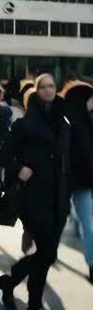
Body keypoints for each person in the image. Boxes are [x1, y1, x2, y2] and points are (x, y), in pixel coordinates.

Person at [0, 74, 71, 310]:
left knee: (47, 254)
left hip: (59, 198)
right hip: (33, 197)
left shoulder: (65, 123)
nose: (48, 90)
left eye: (52, 86)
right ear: (35, 92)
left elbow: (69, 159)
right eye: (43, 86)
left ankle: (8, 281)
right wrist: (19, 169)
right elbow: (3, 154)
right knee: (45, 253)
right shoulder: (24, 124)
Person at [61, 81, 93, 284]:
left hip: (72, 181)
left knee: (84, 221)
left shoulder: (67, 119)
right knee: (86, 222)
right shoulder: (78, 122)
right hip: (78, 181)